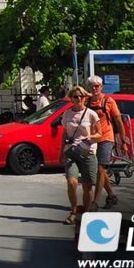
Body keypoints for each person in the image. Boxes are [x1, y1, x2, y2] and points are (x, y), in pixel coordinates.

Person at [58, 86, 101, 224]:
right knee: (72, 182)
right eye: (75, 97)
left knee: (87, 186)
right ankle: (73, 211)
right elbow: (65, 133)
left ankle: (86, 213)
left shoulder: (91, 114)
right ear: (71, 98)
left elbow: (100, 134)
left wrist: (90, 136)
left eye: (81, 96)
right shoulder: (67, 114)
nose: (79, 99)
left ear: (85, 98)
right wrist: (61, 151)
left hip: (87, 152)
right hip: (71, 151)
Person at [85, 75, 124, 210]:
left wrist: (123, 141)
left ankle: (95, 202)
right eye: (92, 86)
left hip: (106, 137)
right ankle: (112, 196)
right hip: (92, 138)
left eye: (97, 86)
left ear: (101, 87)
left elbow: (118, 120)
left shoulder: (108, 101)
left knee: (101, 168)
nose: (95, 88)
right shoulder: (86, 101)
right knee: (98, 170)